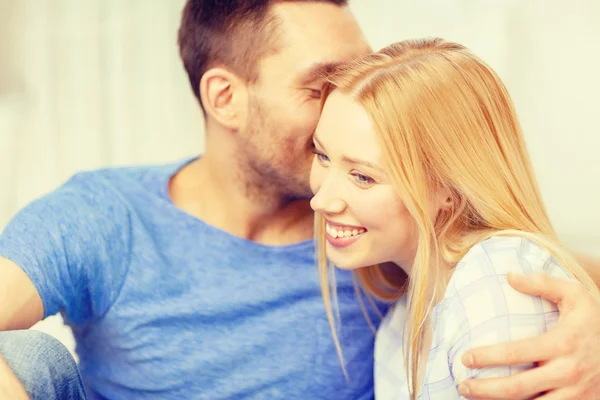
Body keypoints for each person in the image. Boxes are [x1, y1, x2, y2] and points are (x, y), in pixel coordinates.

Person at [0, 1, 598, 399]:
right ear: (225, 98)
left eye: (359, 77)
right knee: (31, 357)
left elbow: (511, 252)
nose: (353, 104)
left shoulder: (382, 235)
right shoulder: (105, 217)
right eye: (322, 85)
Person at [310, 37, 600, 399]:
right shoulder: (398, 327)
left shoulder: (495, 280)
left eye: (363, 176)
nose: (320, 200)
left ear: (448, 187)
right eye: (321, 155)